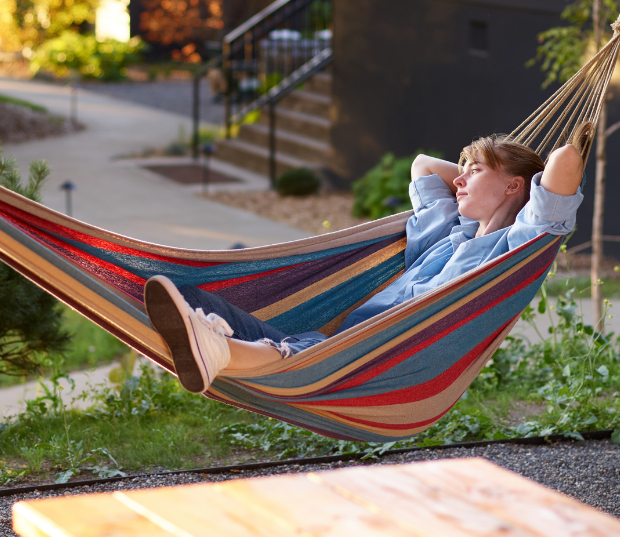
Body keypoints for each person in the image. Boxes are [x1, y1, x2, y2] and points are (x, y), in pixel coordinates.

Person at [145, 134, 585, 394]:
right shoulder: (448, 231)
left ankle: (217, 351)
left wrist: (512, 175)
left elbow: (565, 161)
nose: (461, 179)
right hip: (337, 345)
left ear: (514, 186)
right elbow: (423, 165)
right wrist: (482, 170)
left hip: (384, 358)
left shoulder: (516, 247)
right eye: (463, 169)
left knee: (295, 355)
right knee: (184, 293)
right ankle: (211, 345)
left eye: (475, 171)